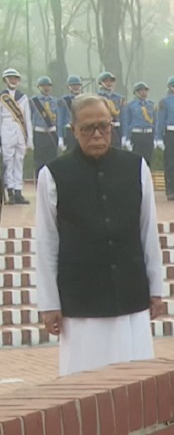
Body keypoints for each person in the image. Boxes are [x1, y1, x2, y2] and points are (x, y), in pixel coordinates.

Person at [35, 93, 164, 375]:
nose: (97, 135)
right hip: (81, 302)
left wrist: (156, 289)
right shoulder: (53, 174)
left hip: (130, 296)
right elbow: (46, 243)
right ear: (73, 131)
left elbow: (147, 231)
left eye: (104, 126)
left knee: (136, 383)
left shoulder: (137, 168)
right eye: (88, 128)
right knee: (83, 384)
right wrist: (49, 304)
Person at [0, 69, 32, 204]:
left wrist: (29, 139)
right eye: (10, 78)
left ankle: (19, 191)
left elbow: (27, 118)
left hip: (20, 130)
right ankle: (10, 191)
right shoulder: (2, 97)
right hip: (6, 128)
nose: (13, 81)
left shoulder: (23, 97)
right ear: (5, 80)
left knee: (19, 160)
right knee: (8, 161)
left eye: (15, 78)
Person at [31, 76, 60, 178]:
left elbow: (59, 119)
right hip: (39, 133)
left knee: (52, 160)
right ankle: (39, 182)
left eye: (48, 85)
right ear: (39, 87)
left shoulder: (56, 101)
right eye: (43, 85)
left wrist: (60, 136)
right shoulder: (33, 101)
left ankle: (52, 181)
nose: (46, 88)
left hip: (52, 133)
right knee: (39, 161)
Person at [122, 82, 156, 165]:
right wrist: (127, 138)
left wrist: (155, 137)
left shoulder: (151, 105)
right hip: (137, 134)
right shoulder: (131, 105)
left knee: (148, 158)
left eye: (145, 90)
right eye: (141, 91)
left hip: (148, 134)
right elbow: (127, 122)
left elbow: (155, 121)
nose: (143, 93)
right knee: (137, 158)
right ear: (136, 92)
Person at [97, 72, 124, 148]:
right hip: (102, 128)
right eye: (106, 81)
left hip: (116, 128)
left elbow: (123, 117)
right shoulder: (96, 97)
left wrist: (125, 134)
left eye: (111, 81)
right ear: (101, 83)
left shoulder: (119, 98)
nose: (109, 83)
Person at [58, 75, 83, 153]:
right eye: (73, 85)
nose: (76, 87)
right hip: (69, 130)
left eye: (77, 85)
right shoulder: (64, 100)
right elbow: (60, 120)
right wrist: (60, 137)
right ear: (69, 86)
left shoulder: (85, 98)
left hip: (83, 129)